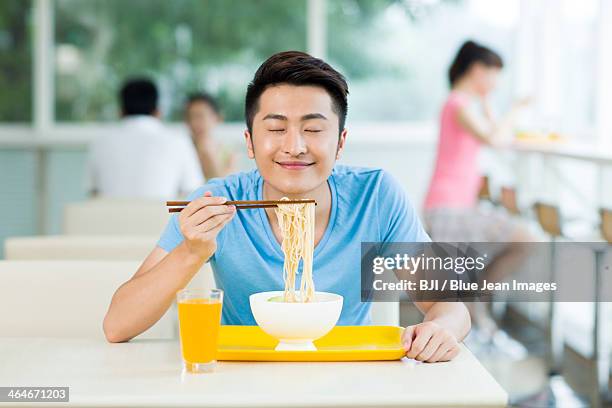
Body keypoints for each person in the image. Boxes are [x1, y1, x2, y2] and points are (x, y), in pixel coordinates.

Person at [103, 51, 470, 363]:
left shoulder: (375, 196)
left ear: (340, 142)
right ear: (249, 141)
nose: (294, 146)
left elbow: (450, 305)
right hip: (241, 379)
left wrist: (441, 329)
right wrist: (191, 252)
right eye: (276, 129)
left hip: (347, 378)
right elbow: (118, 324)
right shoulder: (218, 200)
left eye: (313, 129)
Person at [423, 40, 532, 345]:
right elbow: (496, 139)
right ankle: (476, 317)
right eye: (494, 74)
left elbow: (493, 134)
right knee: (524, 239)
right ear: (476, 70)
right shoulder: (457, 103)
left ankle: (476, 315)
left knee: (458, 282)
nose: (496, 83)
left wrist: (488, 106)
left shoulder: (462, 104)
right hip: (449, 208)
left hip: (452, 207)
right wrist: (516, 109)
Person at [88, 78, 203, 199]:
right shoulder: (178, 141)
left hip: (109, 217)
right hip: (162, 217)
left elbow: (93, 194)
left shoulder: (100, 143)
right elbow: (193, 192)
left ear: (121, 112)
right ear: (158, 111)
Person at [184, 92, 237, 179]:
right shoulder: (182, 149)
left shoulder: (229, 154)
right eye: (189, 117)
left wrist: (209, 155)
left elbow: (226, 188)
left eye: (200, 116)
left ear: (217, 118)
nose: (194, 123)